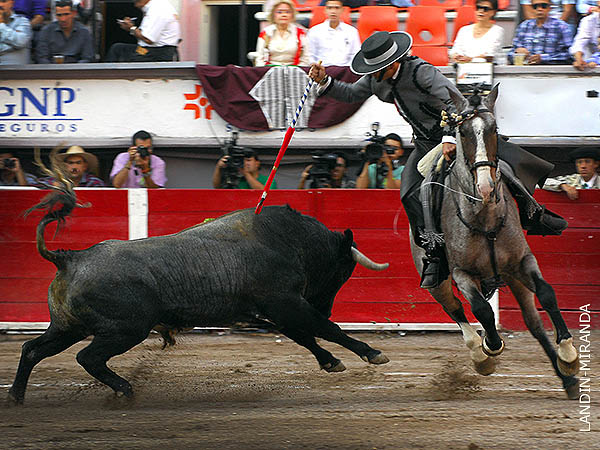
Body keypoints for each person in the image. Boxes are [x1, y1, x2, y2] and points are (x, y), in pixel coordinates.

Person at [309, 31, 567, 288]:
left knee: (501, 165)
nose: (372, 74)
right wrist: (325, 82)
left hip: (454, 135)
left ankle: (535, 213)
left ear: (392, 64)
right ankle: (433, 251)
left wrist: (449, 138)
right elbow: (351, 94)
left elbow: (455, 103)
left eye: (377, 68)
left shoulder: (421, 71)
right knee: (409, 192)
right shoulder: (377, 79)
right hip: (423, 144)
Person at [106, 0, 180, 63]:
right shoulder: (156, 7)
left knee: (125, 56)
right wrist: (130, 28)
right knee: (117, 48)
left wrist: (131, 28)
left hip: (156, 52)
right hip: (151, 50)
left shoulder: (157, 10)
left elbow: (148, 39)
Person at [508, 0, 573, 65]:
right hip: (527, 69)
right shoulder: (524, 26)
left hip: (552, 70)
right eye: (535, 6)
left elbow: (570, 54)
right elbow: (511, 53)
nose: (539, 9)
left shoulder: (561, 26)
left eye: (543, 6)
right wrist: (518, 54)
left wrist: (544, 58)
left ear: (550, 8)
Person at [254, 0, 309, 67]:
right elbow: (260, 58)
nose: (284, 15)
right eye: (279, 12)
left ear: (292, 15)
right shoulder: (266, 33)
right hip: (269, 70)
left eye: (287, 12)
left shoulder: (300, 33)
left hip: (295, 71)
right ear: (273, 15)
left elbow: (305, 59)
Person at [307, 0, 360, 67]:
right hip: (321, 70)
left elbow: (355, 54)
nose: (333, 11)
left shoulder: (352, 31)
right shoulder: (314, 31)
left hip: (345, 70)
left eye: (337, 8)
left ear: (342, 10)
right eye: (330, 8)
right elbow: (310, 55)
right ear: (325, 10)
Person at [570, 1, 600, 70]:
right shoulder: (588, 20)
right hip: (593, 58)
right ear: (597, 8)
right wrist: (578, 58)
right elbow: (580, 40)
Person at [0, 0, 32, 65]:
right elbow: (17, 43)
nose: (0, 5)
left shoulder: (22, 21)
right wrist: (13, 45)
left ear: (12, 3)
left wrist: (1, 25)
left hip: (17, 72)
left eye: (3, 1)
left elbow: (20, 42)